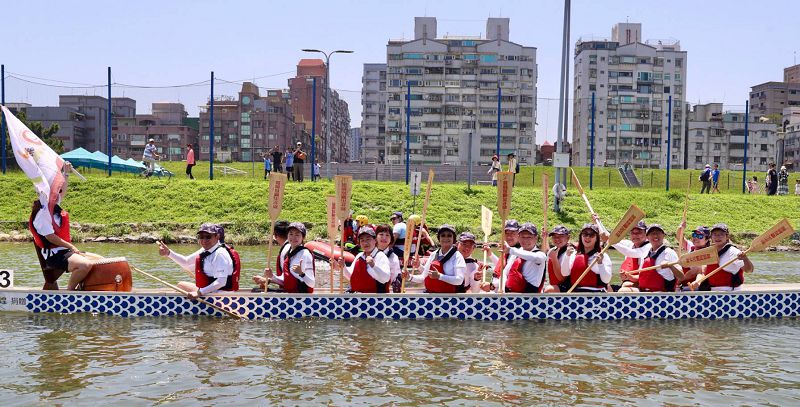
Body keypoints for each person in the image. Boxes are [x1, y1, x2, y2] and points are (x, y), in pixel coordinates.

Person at [29, 161, 95, 290]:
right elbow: (50, 237)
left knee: (100, 261)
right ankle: (69, 293)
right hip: (54, 256)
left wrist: (66, 173)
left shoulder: (52, 204)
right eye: (53, 190)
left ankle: (84, 289)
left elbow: (62, 191)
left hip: (64, 252)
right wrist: (71, 246)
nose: (57, 193)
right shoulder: (42, 214)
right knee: (84, 265)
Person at [158, 223, 241, 299]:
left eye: (208, 237)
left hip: (220, 296)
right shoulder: (208, 249)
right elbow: (186, 262)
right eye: (201, 237)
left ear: (217, 237)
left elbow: (221, 282)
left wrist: (199, 293)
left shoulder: (220, 254)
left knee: (181, 285)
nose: (204, 240)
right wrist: (168, 253)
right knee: (181, 285)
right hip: (213, 292)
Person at [618, 224, 683, 293]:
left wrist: (671, 266)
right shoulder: (645, 252)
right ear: (647, 237)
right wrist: (629, 276)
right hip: (645, 291)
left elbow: (681, 277)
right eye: (652, 233)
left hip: (663, 292)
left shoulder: (669, 252)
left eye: (658, 233)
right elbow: (642, 277)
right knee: (624, 289)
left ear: (663, 235)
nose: (655, 236)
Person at [689, 223, 753, 292]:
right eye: (715, 234)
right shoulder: (710, 251)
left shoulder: (733, 252)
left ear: (727, 236)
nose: (717, 237)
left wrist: (745, 258)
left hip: (730, 292)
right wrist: (697, 281)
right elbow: (703, 272)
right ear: (711, 237)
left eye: (721, 234)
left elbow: (749, 270)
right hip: (712, 291)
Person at [406, 224, 466, 293]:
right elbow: (423, 277)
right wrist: (409, 276)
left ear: (454, 239)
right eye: (443, 235)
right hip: (432, 296)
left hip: (449, 296)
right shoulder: (434, 254)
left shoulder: (457, 256)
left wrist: (439, 276)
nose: (446, 238)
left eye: (449, 235)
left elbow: (459, 280)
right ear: (439, 238)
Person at [261, 222, 315, 293]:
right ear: (287, 235)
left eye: (297, 235)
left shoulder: (305, 254)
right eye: (291, 234)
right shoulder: (289, 253)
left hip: (302, 296)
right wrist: (271, 276)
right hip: (290, 294)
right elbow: (285, 280)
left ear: (303, 237)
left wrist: (301, 273)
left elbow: (312, 283)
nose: (293, 237)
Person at [335, 226, 391, 293]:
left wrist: (373, 266)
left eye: (368, 239)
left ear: (375, 240)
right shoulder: (359, 255)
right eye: (362, 240)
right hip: (358, 296)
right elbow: (350, 277)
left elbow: (386, 278)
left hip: (375, 297)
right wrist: (343, 267)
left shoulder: (381, 256)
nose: (365, 243)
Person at [562, 223, 612, 293]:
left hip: (597, 293)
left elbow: (606, 280)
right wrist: (567, 256)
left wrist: (600, 263)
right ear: (581, 236)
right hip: (576, 293)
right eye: (585, 234)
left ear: (596, 238)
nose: (588, 237)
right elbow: (564, 273)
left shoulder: (603, 256)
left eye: (591, 235)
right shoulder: (573, 254)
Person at [503, 223, 547, 293]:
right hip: (509, 294)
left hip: (529, 296)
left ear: (535, 238)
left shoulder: (540, 255)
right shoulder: (516, 253)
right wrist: (503, 289)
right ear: (518, 238)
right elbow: (505, 273)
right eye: (523, 237)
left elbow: (536, 258)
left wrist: (511, 250)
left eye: (529, 237)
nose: (525, 240)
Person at [607, 220, 651, 292]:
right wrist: (598, 222)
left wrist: (630, 277)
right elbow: (610, 237)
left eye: (639, 232)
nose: (635, 235)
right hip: (629, 282)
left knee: (624, 289)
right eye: (633, 232)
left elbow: (631, 252)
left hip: (643, 286)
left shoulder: (648, 247)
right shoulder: (629, 244)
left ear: (646, 234)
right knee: (606, 287)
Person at [253, 220, 290, 290]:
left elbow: (286, 281)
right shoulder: (293, 247)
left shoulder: (286, 251)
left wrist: (269, 278)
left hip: (293, 294)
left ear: (275, 236)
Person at [676, 224, 711, 291]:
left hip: (696, 288)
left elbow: (701, 271)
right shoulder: (691, 247)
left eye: (700, 236)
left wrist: (697, 281)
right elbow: (679, 237)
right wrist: (680, 227)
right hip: (683, 287)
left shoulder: (708, 253)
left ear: (706, 240)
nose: (696, 238)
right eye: (694, 235)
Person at [543, 225, 574, 293]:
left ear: (568, 238)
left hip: (568, 288)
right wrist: (545, 238)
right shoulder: (555, 249)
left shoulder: (570, 252)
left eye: (560, 236)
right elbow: (547, 251)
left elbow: (561, 278)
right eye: (554, 237)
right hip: (557, 286)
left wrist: (554, 259)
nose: (557, 239)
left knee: (548, 289)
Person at [375, 224, 402, 292]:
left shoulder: (393, 257)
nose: (384, 238)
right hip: (364, 294)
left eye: (387, 235)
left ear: (391, 239)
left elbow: (395, 279)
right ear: (375, 237)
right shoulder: (367, 253)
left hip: (383, 294)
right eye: (381, 234)